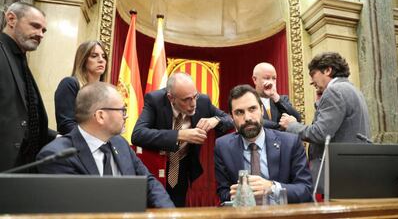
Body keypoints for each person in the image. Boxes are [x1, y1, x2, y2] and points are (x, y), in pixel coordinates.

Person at [36, 82, 174, 208]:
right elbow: (73, 209)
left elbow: (149, 183)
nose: (125, 116)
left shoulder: (120, 143)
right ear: (101, 116)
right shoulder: (57, 156)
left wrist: (169, 213)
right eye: (122, 110)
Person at [132, 72, 234, 207]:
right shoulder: (155, 100)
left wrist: (216, 119)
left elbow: (230, 119)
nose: (193, 104)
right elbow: (138, 134)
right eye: (186, 99)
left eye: (194, 96)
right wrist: (180, 135)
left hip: (181, 169)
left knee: (177, 209)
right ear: (171, 98)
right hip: (156, 168)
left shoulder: (203, 102)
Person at [279, 52, 371, 193]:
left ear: (327, 70)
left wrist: (291, 125)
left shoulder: (334, 91)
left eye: (313, 74)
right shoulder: (353, 90)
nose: (311, 81)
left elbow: (320, 133)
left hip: (336, 173)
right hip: (353, 170)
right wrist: (319, 104)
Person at [214, 84, 313, 204]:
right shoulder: (223, 146)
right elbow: (223, 192)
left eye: (252, 109)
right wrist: (236, 195)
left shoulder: (290, 143)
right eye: (239, 112)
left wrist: (272, 188)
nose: (247, 117)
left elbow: (305, 189)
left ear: (261, 110)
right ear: (232, 117)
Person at [0, 2, 56, 172]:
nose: (40, 34)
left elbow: (27, 119)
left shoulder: (22, 61)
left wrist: (61, 137)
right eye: (35, 26)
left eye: (43, 30)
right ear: (11, 19)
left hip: (24, 169)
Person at [55, 40, 108, 135]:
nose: (101, 60)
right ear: (83, 60)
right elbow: (66, 125)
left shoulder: (107, 92)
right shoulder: (70, 84)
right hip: (77, 145)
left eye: (103, 56)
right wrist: (95, 139)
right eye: (94, 56)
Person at [252, 62, 301, 128]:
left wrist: (275, 96)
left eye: (274, 78)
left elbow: (297, 119)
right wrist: (280, 126)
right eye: (267, 78)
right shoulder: (249, 101)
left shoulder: (282, 99)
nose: (271, 82)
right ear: (255, 80)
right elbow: (255, 122)